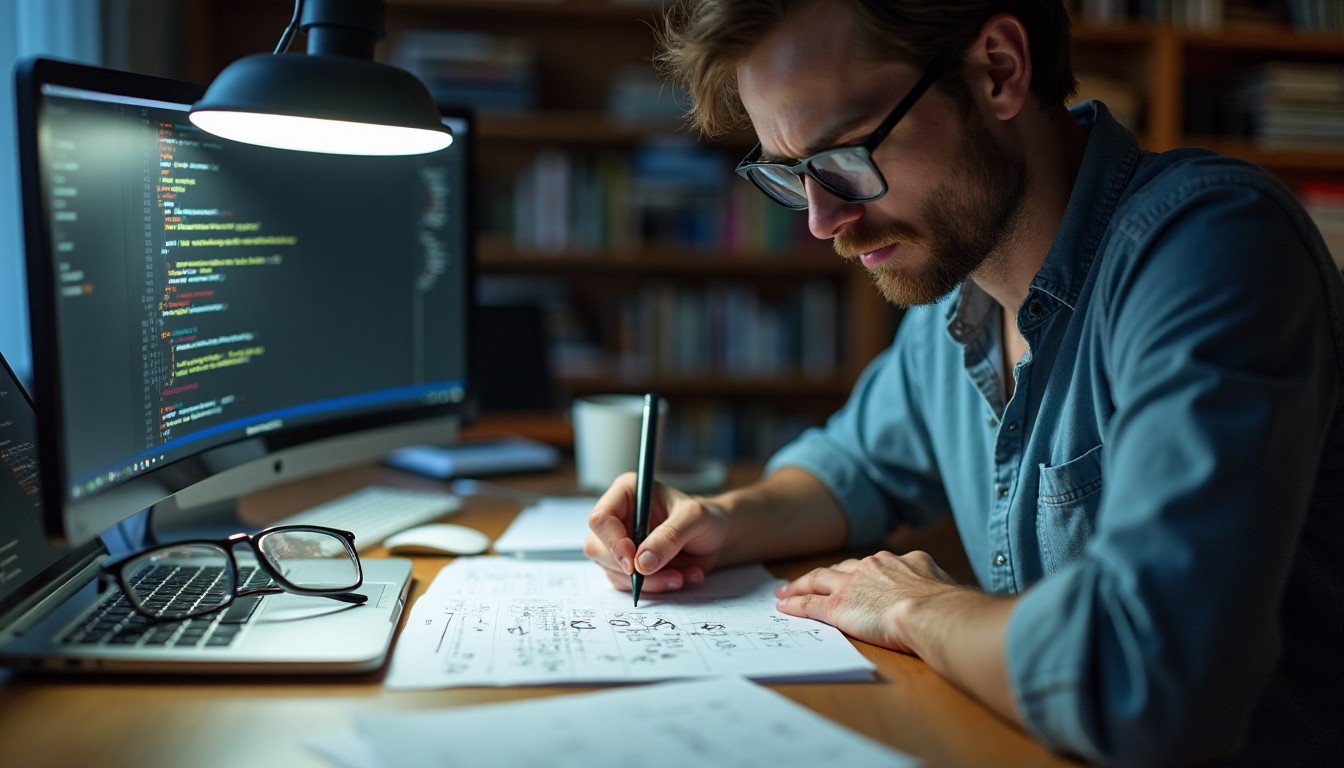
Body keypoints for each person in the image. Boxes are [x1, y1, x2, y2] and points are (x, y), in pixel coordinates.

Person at [584, 0, 1344, 765]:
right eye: (790, 175)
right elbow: (853, 471)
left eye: (846, 158)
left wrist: (916, 607)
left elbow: (1145, 684)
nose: (821, 220)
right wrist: (715, 518)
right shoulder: (960, 294)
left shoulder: (1209, 253)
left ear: (998, 71)